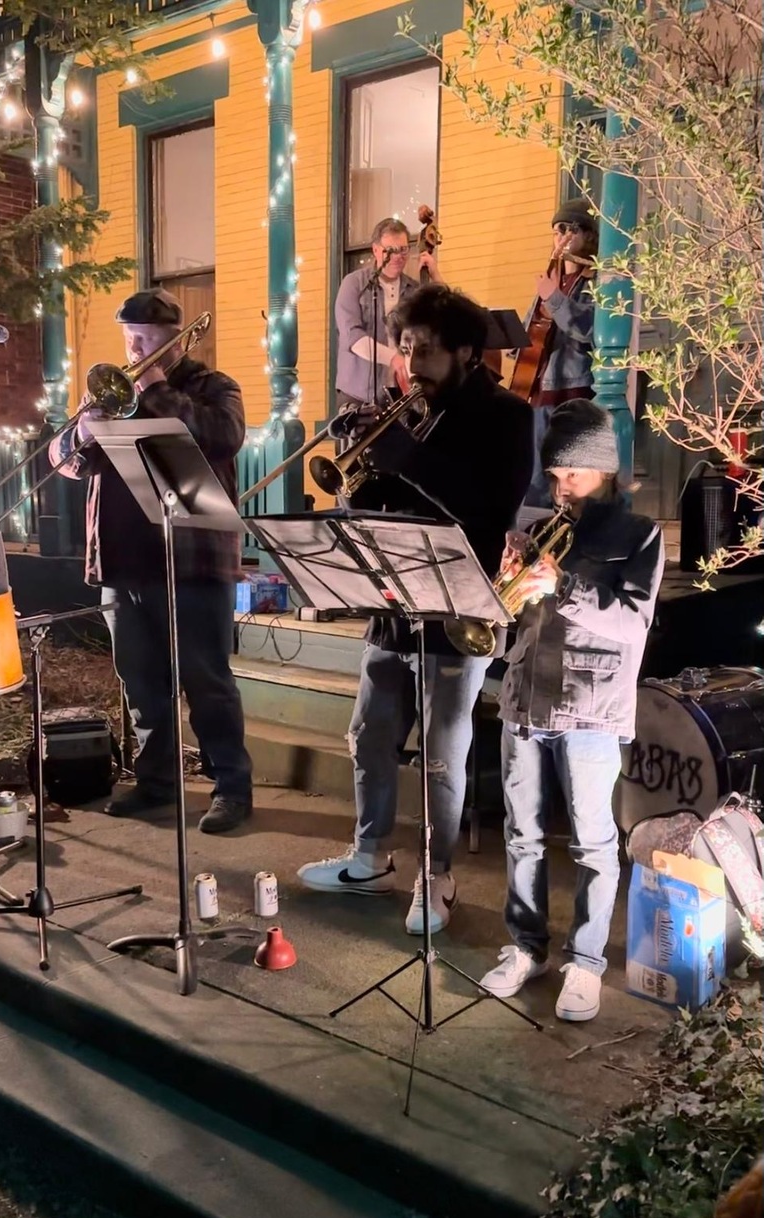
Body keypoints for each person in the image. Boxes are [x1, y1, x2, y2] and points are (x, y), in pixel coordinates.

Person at [298, 284, 534, 934]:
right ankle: (369, 857)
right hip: (394, 601)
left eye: (425, 350)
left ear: (466, 352)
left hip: (458, 609)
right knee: (369, 734)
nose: (411, 363)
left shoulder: (507, 417)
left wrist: (410, 458)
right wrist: (359, 470)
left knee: (440, 753)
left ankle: (438, 874)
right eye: (405, 350)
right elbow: (381, 502)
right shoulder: (409, 413)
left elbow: (491, 507)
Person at [479, 399, 665, 1021]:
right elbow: (515, 617)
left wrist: (562, 583)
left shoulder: (640, 535)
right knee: (522, 836)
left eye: (574, 475)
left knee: (592, 842)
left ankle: (585, 962)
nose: (562, 487)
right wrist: (508, 578)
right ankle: (525, 947)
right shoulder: (539, 526)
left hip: (591, 706)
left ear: (604, 470)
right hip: (526, 698)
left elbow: (632, 623)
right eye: (556, 475)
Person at [49, 288, 253, 833]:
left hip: (192, 565)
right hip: (123, 562)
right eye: (129, 338)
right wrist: (80, 432)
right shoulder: (112, 393)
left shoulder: (213, 387)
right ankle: (157, 782)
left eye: (143, 339)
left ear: (173, 340)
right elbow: (65, 462)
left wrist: (157, 390)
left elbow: (224, 437)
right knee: (141, 684)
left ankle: (232, 787)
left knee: (207, 682)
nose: (134, 349)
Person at [522, 197, 598, 508]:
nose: (562, 236)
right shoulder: (551, 277)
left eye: (570, 229)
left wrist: (553, 297)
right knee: (536, 476)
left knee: (569, 471)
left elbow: (586, 329)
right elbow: (532, 330)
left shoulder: (594, 280)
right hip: (541, 389)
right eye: (557, 230)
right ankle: (532, 531)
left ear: (588, 235)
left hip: (573, 389)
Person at [334, 217, 442, 409]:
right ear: (375, 250)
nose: (397, 257)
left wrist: (435, 275)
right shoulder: (354, 284)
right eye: (390, 251)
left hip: (399, 395)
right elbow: (353, 337)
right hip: (358, 394)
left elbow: (445, 319)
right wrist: (394, 357)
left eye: (403, 250)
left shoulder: (414, 291)